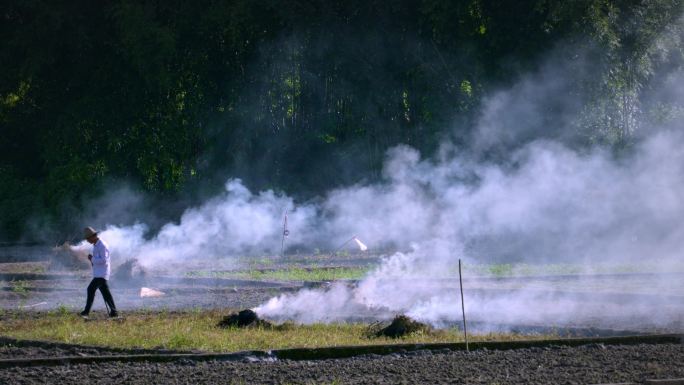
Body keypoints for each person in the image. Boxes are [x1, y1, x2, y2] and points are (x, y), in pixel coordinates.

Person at [80, 227, 118, 318]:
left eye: (88, 238)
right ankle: (114, 312)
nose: (87, 240)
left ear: (93, 236)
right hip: (99, 273)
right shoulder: (96, 245)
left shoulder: (102, 245)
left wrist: (91, 258)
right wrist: (93, 259)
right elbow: (99, 260)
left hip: (102, 273)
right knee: (106, 293)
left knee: (90, 289)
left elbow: (104, 260)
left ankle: (86, 312)